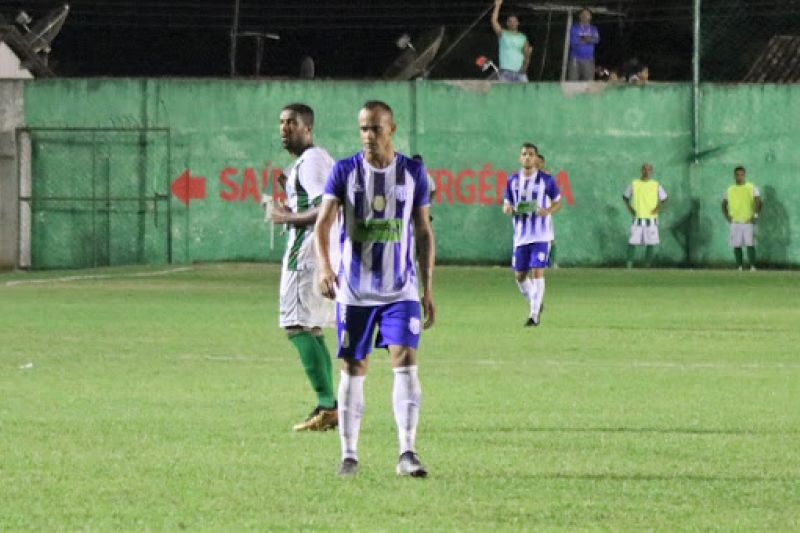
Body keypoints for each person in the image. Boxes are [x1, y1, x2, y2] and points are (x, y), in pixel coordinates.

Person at [314, 100, 436, 477]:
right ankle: (349, 455)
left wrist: (427, 288)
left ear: (391, 129)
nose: (368, 136)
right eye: (363, 129)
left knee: (406, 363)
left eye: (376, 129)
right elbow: (323, 224)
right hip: (355, 291)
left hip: (401, 290)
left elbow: (424, 231)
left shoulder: (413, 173)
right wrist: (325, 267)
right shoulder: (344, 171)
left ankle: (407, 452)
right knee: (354, 366)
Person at [271, 103, 338, 432]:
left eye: (292, 123)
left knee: (295, 326)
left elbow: (327, 208)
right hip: (319, 254)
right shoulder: (314, 160)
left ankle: (328, 403)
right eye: (282, 123)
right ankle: (330, 406)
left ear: (307, 128)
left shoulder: (311, 161)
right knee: (310, 328)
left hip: (307, 257)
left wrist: (285, 217)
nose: (284, 128)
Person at [503, 143, 562, 326]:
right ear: (520, 158)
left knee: (538, 271)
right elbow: (506, 205)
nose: (527, 157)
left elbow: (558, 202)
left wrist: (548, 210)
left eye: (531, 154)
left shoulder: (546, 179)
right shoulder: (512, 180)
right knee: (520, 276)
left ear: (536, 158)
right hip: (521, 236)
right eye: (524, 154)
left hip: (541, 235)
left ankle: (534, 315)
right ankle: (535, 301)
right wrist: (508, 208)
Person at [622, 162, 668, 268]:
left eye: (648, 170)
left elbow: (665, 199)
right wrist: (630, 209)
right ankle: (629, 265)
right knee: (632, 241)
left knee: (651, 242)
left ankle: (647, 266)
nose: (646, 172)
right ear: (641, 170)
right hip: (638, 218)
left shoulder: (656, 184)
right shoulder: (634, 183)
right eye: (644, 169)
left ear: (651, 172)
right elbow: (625, 197)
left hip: (651, 219)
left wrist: (657, 209)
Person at [721, 166, 762, 271]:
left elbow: (758, 202)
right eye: (737, 175)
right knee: (736, 245)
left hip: (748, 221)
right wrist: (727, 217)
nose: (739, 177)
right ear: (734, 176)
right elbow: (723, 204)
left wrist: (755, 216)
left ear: (744, 175)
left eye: (741, 175)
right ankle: (739, 266)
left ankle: (752, 266)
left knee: (750, 244)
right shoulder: (730, 189)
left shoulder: (751, 187)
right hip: (735, 222)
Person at [491, 0, 532, 82]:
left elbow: (527, 54)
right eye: (510, 21)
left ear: (518, 23)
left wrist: (524, 68)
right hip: (505, 72)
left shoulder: (523, 37)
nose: (512, 23)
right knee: (504, 94)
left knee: (526, 93)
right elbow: (494, 21)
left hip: (520, 73)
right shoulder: (502, 34)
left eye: (514, 21)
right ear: (507, 23)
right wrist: (498, 5)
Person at [536, 153, 558, 268]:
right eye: (536, 161)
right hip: (531, 214)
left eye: (539, 162)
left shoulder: (547, 178)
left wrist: (549, 209)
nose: (537, 164)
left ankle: (551, 263)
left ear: (542, 163)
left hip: (545, 213)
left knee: (550, 238)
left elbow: (555, 198)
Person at [567, 7, 600, 81]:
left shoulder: (593, 28)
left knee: (588, 83)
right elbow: (574, 41)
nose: (585, 15)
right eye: (583, 14)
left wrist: (581, 38)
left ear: (590, 17)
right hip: (575, 59)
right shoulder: (574, 28)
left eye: (587, 14)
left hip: (589, 60)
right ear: (580, 16)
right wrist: (589, 38)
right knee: (573, 82)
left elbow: (596, 40)